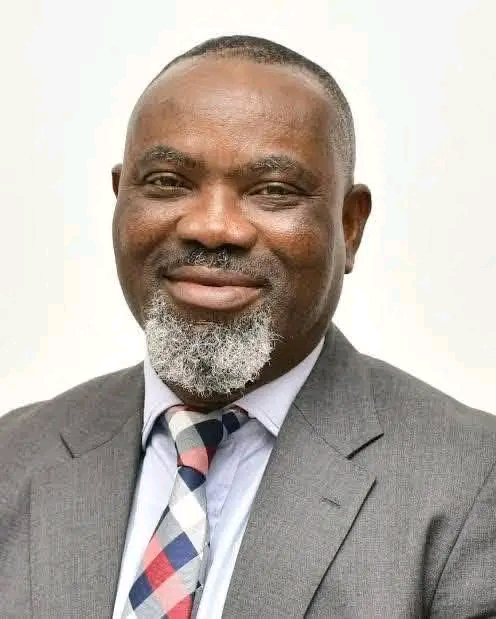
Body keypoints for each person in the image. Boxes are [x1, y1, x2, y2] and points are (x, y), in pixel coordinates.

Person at [1, 35, 495, 619]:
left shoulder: (475, 482)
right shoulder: (14, 456)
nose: (213, 227)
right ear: (120, 199)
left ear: (350, 226)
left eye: (273, 191)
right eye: (167, 181)